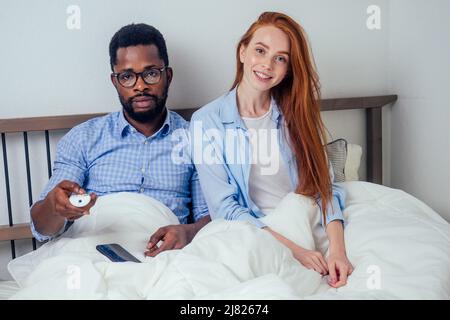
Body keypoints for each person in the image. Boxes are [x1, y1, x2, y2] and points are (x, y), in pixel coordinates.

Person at [190, 12, 353, 288]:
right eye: (260, 51)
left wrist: (337, 250)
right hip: (255, 232)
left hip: (307, 222)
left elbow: (325, 187)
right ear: (242, 52)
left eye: (280, 58)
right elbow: (225, 209)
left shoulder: (297, 114)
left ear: (288, 69)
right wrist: (295, 251)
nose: (267, 64)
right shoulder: (206, 121)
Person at [30, 23, 210, 257]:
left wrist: (189, 231)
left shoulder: (195, 139)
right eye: (127, 77)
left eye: (151, 73)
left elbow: (211, 215)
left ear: (168, 76)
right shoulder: (84, 138)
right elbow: (41, 229)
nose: (140, 86)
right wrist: (56, 209)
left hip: (165, 258)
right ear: (115, 82)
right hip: (93, 255)